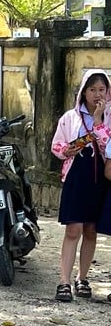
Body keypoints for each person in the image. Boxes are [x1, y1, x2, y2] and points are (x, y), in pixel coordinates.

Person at [53, 70, 110, 302]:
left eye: (102, 90)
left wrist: (98, 121)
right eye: (92, 89)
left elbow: (108, 146)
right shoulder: (70, 118)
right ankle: (64, 281)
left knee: (91, 230)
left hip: (101, 178)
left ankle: (82, 278)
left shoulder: (109, 117)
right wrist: (66, 150)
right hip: (77, 175)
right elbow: (56, 145)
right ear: (83, 92)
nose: (97, 94)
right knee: (73, 228)